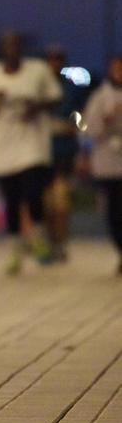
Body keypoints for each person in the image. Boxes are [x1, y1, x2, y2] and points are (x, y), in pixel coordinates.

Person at [0, 31, 62, 274]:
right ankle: (14, 249)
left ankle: (39, 237)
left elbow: (55, 97)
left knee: (32, 192)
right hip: (3, 147)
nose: (13, 49)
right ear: (2, 48)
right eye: (8, 45)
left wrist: (36, 106)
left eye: (16, 45)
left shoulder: (37, 70)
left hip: (32, 143)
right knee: (11, 200)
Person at [83, 54, 122, 275]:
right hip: (108, 162)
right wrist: (107, 118)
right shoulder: (99, 97)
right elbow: (91, 129)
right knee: (114, 211)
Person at [44, 46, 81, 261]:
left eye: (58, 60)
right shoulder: (40, 87)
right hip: (42, 153)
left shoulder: (70, 89)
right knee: (47, 204)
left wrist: (70, 126)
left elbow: (79, 118)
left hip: (64, 152)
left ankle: (62, 243)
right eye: (52, 59)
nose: (55, 64)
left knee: (62, 202)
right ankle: (51, 242)